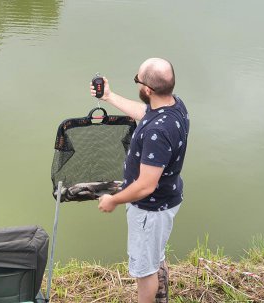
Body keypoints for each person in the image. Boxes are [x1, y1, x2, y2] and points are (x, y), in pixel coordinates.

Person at [90, 58, 189, 303]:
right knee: (155, 256)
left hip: (150, 210)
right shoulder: (175, 106)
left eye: (137, 80)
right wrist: (109, 97)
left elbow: (146, 186)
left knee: (144, 271)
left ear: (147, 89)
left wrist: (113, 200)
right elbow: (146, 113)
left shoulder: (158, 132)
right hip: (167, 198)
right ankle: (161, 296)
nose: (137, 83)